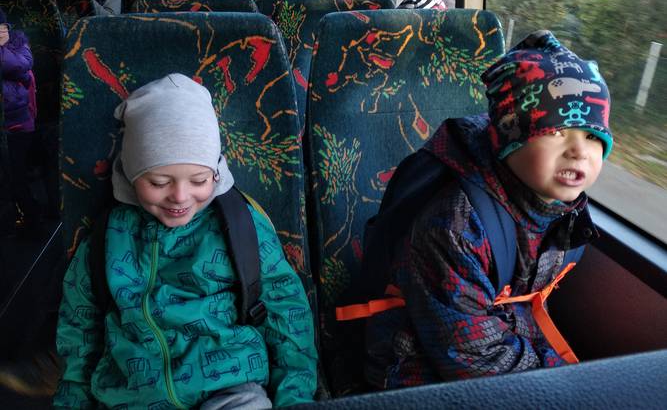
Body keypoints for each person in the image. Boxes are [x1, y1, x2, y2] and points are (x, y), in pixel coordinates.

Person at [52, 74, 318, 408]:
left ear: (216, 172)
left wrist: (294, 398)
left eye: (199, 180)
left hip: (229, 387)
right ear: (131, 172)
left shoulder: (240, 225)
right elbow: (80, 327)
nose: (180, 196)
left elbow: (286, 311)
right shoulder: (107, 238)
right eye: (159, 182)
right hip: (133, 395)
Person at [365, 31, 613, 388]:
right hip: (415, 362)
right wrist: (557, 380)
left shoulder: (559, 208)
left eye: (592, 135)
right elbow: (469, 355)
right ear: (511, 139)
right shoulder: (454, 227)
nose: (580, 151)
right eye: (556, 132)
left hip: (498, 338)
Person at [0, 7, 41, 233]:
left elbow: (18, 65)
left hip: (16, 123)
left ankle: (31, 220)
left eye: (1, 28)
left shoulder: (18, 43)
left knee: (16, 177)